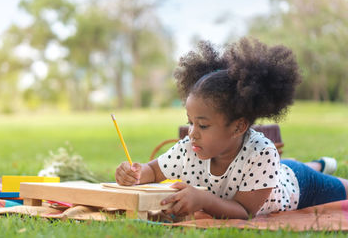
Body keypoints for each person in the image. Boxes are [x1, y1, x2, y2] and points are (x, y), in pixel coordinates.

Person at [115, 37, 348, 219]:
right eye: (190, 122)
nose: (191, 132)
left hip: (297, 184)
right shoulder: (190, 147)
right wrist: (135, 174)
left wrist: (204, 200)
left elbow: (244, 211)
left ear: (238, 127)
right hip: (270, 174)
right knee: (286, 166)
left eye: (203, 125)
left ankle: (317, 167)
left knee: (341, 188)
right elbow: (153, 172)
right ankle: (320, 163)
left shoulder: (262, 152)